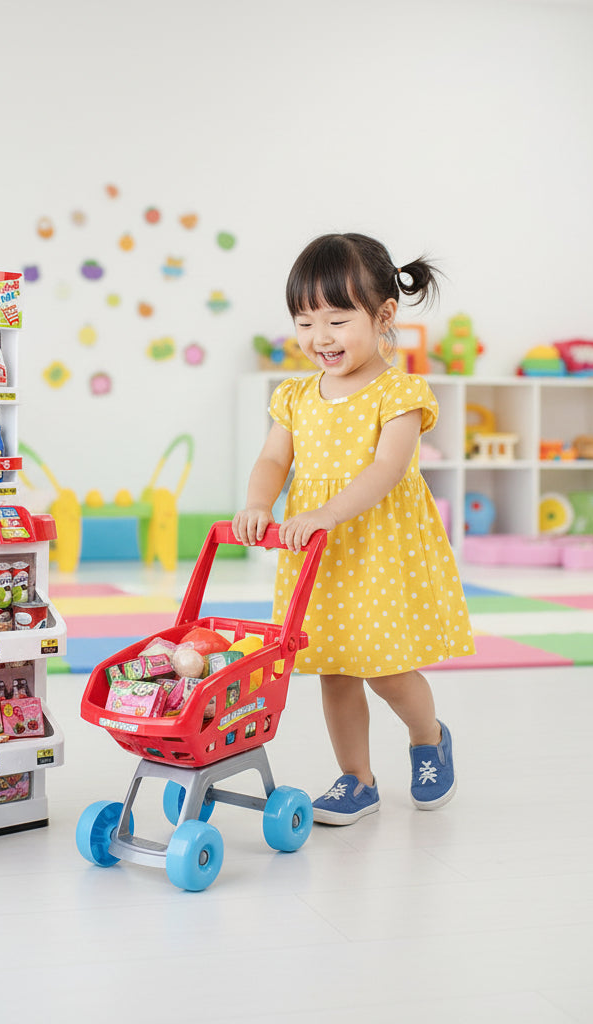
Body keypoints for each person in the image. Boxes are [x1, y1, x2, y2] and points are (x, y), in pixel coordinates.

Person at [232, 232, 473, 825]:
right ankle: (356, 778)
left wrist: (327, 513)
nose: (320, 339)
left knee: (385, 668)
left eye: (337, 321)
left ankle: (427, 736)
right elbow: (272, 461)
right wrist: (259, 502)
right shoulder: (294, 396)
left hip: (375, 547)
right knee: (333, 666)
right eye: (305, 322)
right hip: (317, 553)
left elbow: (388, 470)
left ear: (384, 315)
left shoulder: (400, 393)